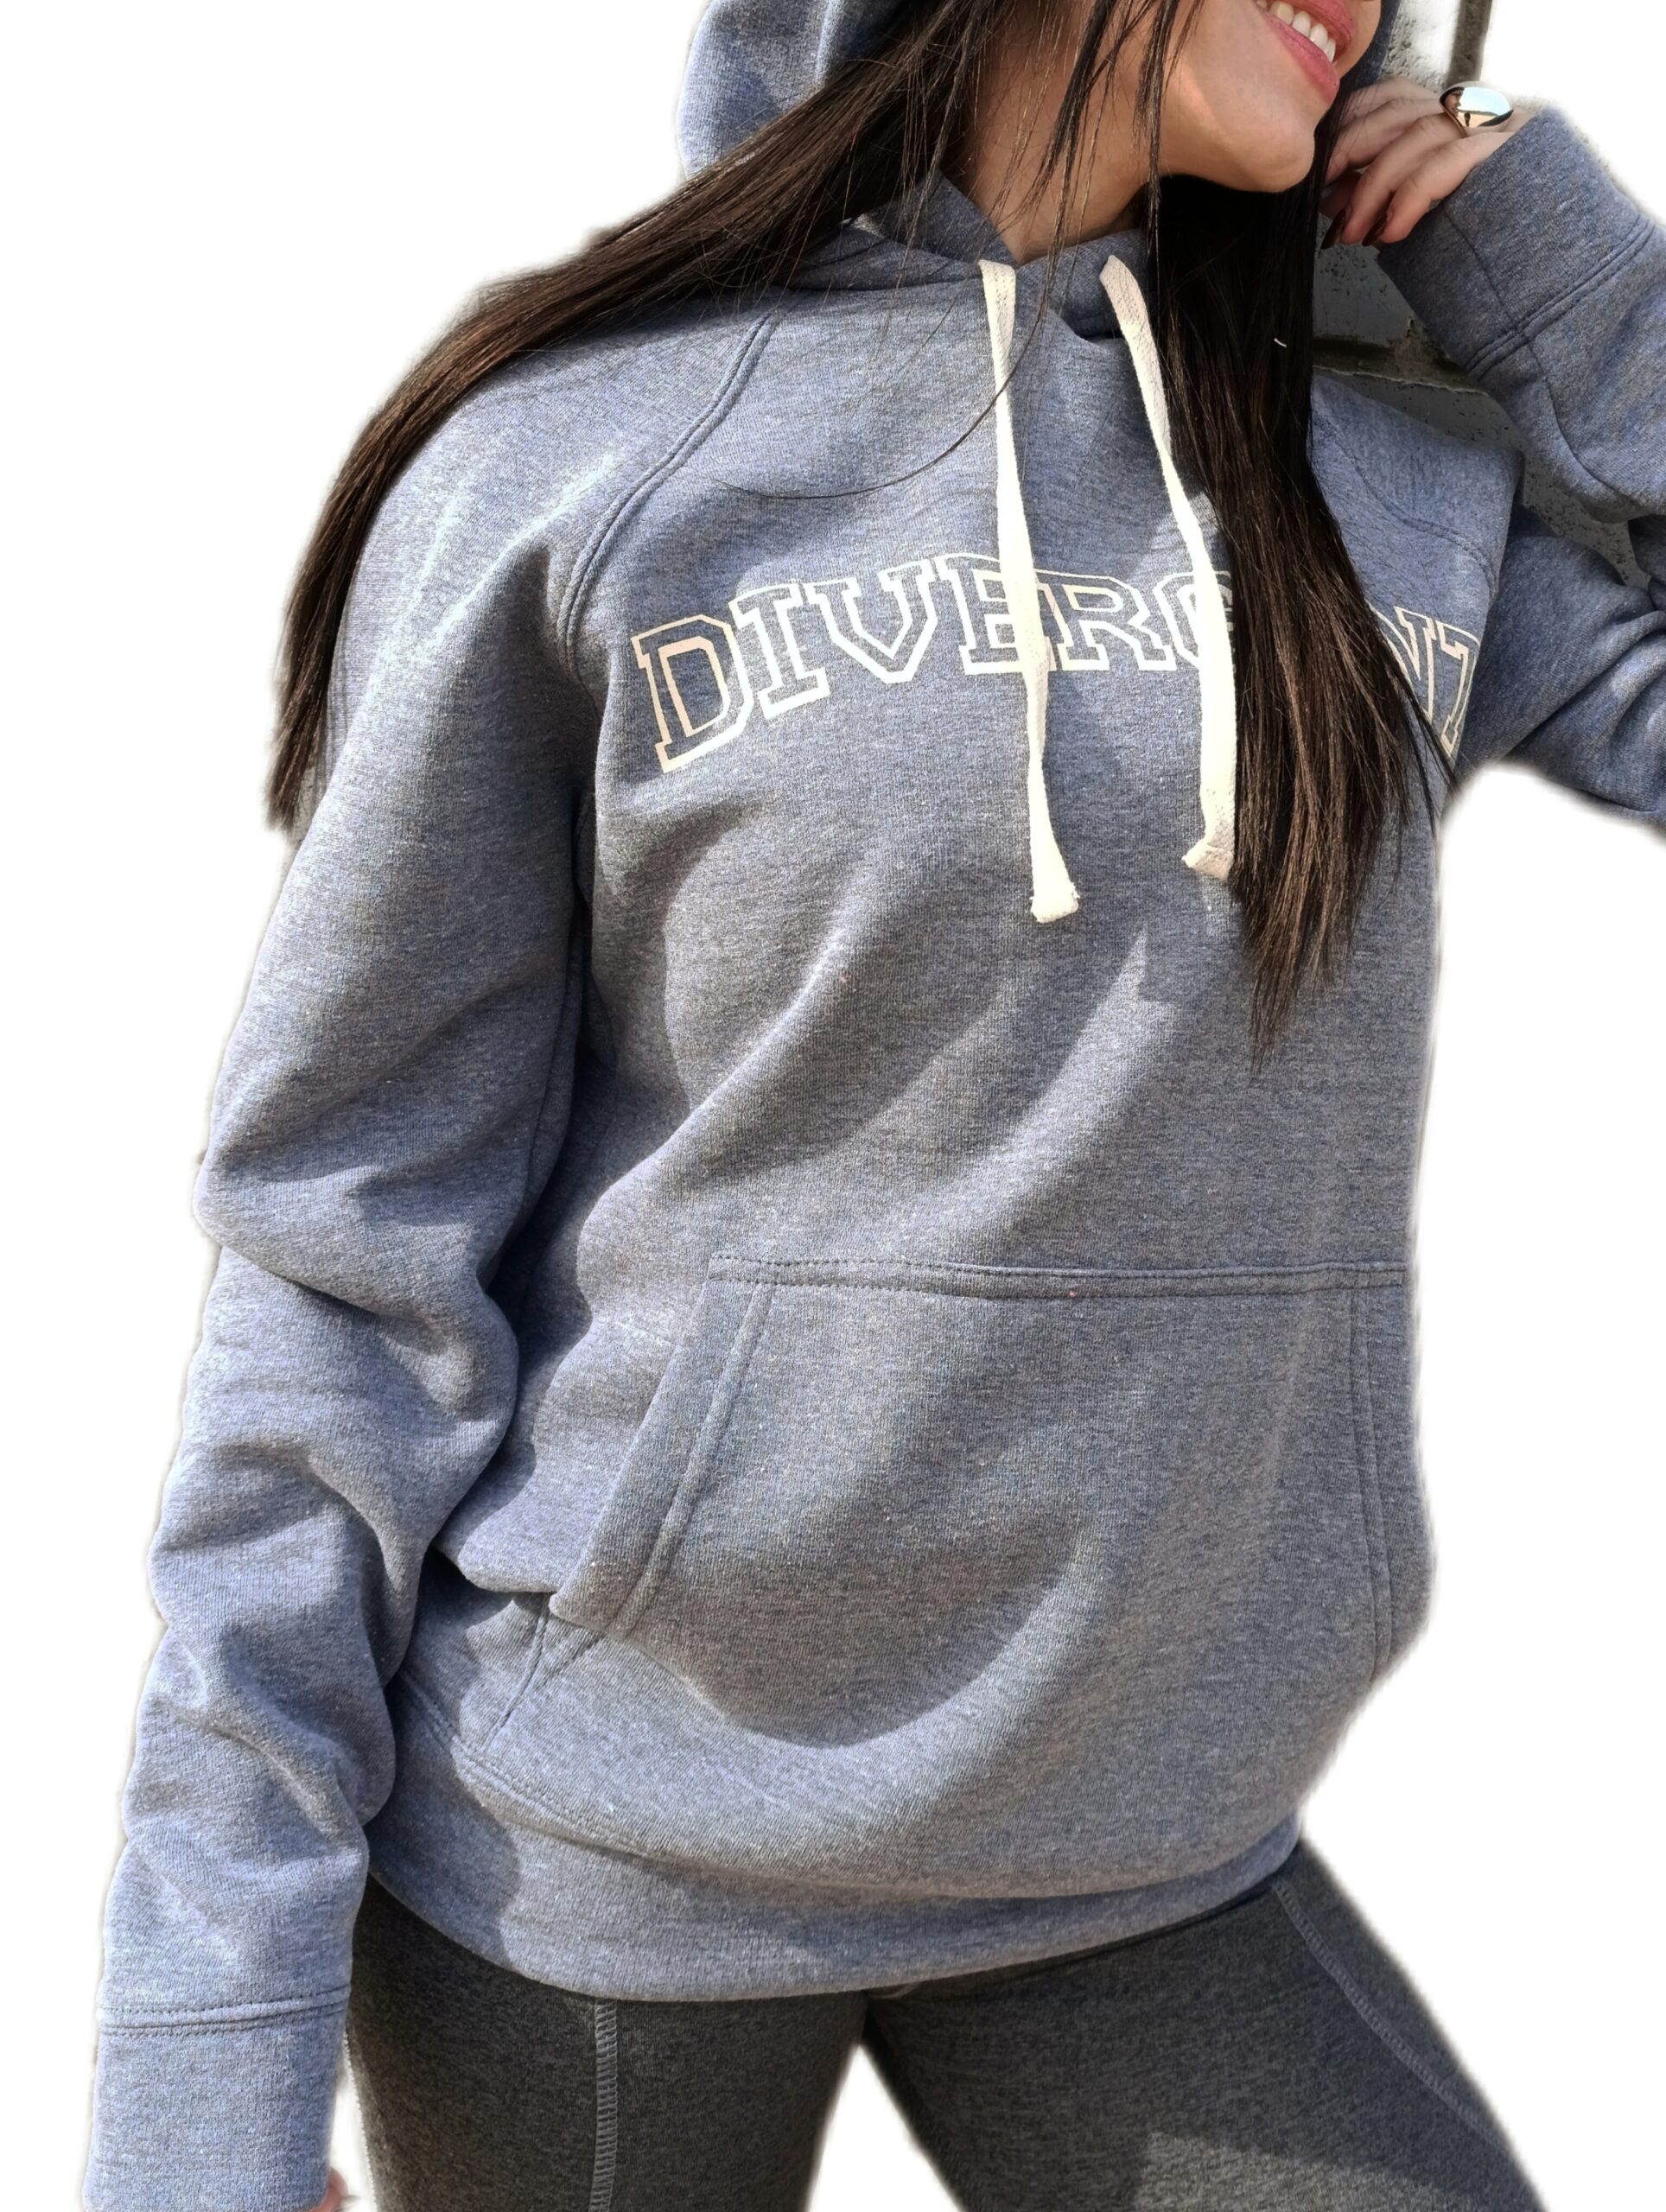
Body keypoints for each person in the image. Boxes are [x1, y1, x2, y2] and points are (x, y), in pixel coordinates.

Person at [83, 0, 1663, 2206]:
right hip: (601, 1856)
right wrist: (197, 2107)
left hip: (1144, 1835)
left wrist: (1579, 288)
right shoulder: (593, 459)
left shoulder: (1381, 479)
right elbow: (344, 1263)